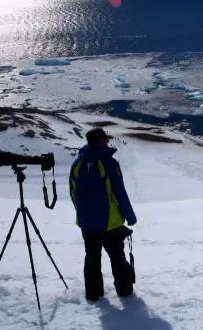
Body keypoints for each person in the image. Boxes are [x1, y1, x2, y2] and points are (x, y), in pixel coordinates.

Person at [69, 127, 137, 302]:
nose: (107, 142)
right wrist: (130, 216)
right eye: (105, 139)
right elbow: (119, 192)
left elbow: (73, 192)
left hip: (87, 222)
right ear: (99, 141)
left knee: (92, 257)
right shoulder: (109, 163)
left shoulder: (77, 163)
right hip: (110, 223)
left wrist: (82, 214)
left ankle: (93, 293)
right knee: (117, 257)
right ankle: (124, 292)